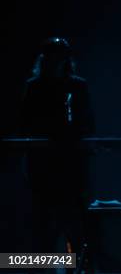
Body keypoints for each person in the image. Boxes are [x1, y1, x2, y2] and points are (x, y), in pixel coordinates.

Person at [19, 37, 94, 268]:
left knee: (73, 223)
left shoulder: (77, 86)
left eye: (61, 56)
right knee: (44, 225)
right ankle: (42, 267)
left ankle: (77, 266)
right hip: (44, 165)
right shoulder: (35, 86)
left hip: (70, 165)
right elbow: (26, 121)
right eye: (53, 56)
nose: (57, 61)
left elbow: (87, 121)